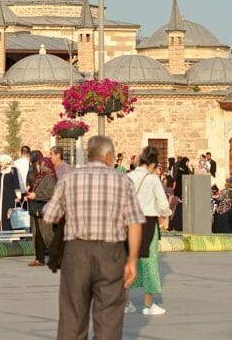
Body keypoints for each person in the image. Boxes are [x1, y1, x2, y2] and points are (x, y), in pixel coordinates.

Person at [44, 135, 144, 340]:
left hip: (76, 252)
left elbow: (49, 215)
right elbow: (134, 222)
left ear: (89, 155)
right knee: (109, 317)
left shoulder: (69, 179)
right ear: (108, 156)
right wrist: (132, 260)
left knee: (72, 315)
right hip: (111, 254)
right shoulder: (123, 181)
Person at [126, 146, 172, 315]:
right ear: (152, 164)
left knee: (129, 259)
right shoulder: (152, 179)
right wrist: (166, 214)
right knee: (149, 261)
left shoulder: (127, 177)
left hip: (129, 222)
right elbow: (163, 204)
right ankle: (148, 304)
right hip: (147, 222)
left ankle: (126, 303)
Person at [26, 153, 56, 267]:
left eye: (40, 164)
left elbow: (51, 193)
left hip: (44, 210)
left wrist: (36, 195)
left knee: (47, 235)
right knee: (37, 235)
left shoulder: (49, 178)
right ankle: (39, 258)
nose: (38, 166)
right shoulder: (38, 177)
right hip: (35, 209)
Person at [0, 155, 21, 231]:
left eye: (0, 161)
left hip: (9, 198)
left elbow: (16, 183)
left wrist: (18, 196)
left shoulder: (13, 170)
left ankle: (8, 238)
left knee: (7, 217)